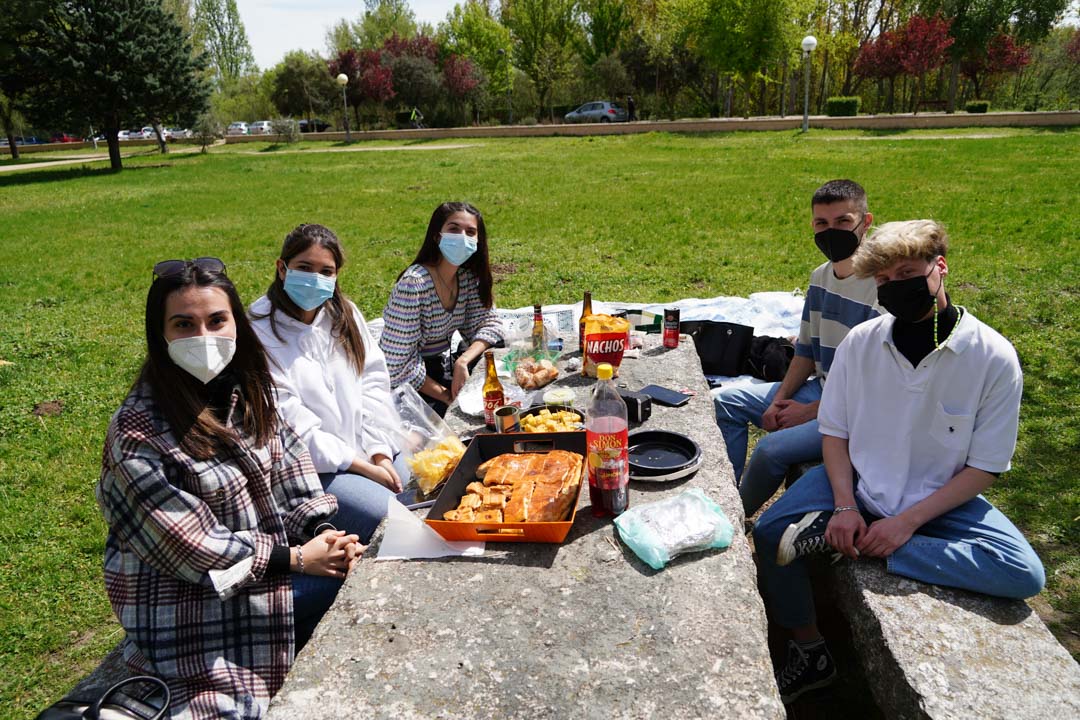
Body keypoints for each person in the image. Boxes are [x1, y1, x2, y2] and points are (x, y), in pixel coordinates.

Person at [753, 220, 1045, 704]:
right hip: (858, 480)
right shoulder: (862, 343)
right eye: (884, 281)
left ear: (940, 267)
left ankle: (860, 547)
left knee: (1022, 573)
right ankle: (810, 648)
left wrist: (901, 528)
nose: (896, 288)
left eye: (908, 272)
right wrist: (845, 505)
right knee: (768, 535)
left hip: (940, 500)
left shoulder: (993, 357)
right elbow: (836, 434)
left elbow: (985, 467)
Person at [96, 257, 363, 718]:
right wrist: (299, 559)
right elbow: (190, 548)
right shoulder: (137, 432)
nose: (204, 336)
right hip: (191, 604)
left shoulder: (248, 391)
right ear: (160, 336)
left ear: (236, 322)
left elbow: (291, 470)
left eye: (217, 320)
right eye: (184, 324)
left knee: (361, 582)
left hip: (265, 575)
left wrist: (323, 531)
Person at [714, 179, 880, 517]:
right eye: (822, 223)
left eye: (843, 222)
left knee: (769, 450)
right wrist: (779, 401)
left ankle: (731, 517)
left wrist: (806, 412)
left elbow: (874, 388)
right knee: (725, 403)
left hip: (856, 413)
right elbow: (805, 351)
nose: (831, 231)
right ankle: (723, 492)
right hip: (821, 390)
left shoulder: (881, 288)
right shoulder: (821, 277)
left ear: (866, 221)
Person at [250, 224, 403, 544]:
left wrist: (380, 452)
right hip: (313, 471)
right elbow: (289, 424)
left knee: (436, 482)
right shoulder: (258, 330)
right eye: (304, 268)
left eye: (326, 271)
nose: (315, 279)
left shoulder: (342, 314)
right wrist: (362, 467)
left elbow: (373, 381)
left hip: (366, 450)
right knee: (389, 519)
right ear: (282, 268)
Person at [380, 201, 505, 416]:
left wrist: (463, 361)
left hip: (442, 367)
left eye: (470, 232)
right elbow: (395, 367)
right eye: (454, 229)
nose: (462, 237)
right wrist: (448, 397)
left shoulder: (465, 278)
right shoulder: (414, 284)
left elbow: (490, 324)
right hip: (409, 384)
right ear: (438, 236)